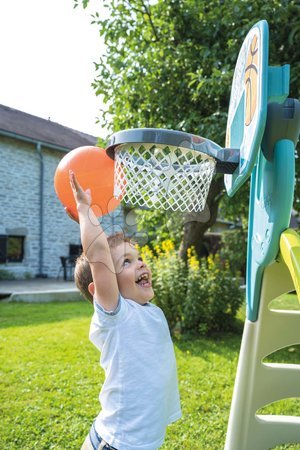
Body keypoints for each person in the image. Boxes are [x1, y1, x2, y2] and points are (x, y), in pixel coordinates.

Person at [68, 171, 181, 450]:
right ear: (101, 289)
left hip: (142, 440)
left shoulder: (151, 312)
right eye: (127, 262)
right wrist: (85, 210)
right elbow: (98, 256)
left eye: (139, 258)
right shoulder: (117, 316)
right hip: (116, 443)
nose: (141, 264)